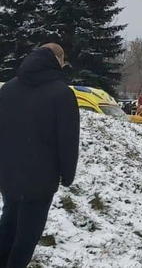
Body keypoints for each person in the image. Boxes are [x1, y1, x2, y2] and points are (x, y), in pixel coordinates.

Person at [0, 44, 80, 268]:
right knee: (28, 234)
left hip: (8, 173)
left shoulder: (7, 88)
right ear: (57, 60)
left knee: (8, 223)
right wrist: (67, 174)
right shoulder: (62, 93)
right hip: (41, 176)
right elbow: (67, 139)